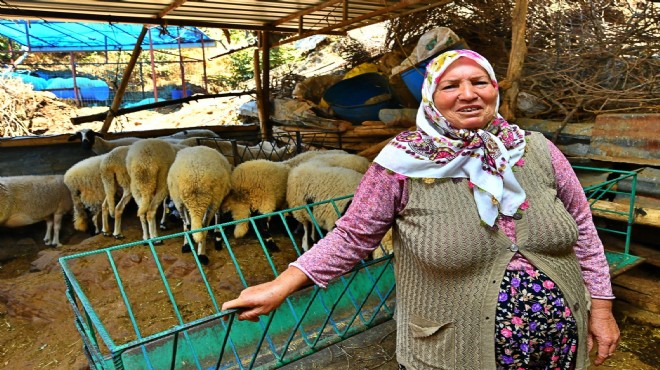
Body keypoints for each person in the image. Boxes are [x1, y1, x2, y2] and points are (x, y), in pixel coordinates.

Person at [222, 49, 620, 369]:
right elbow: (352, 236)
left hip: (558, 339)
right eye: (452, 86)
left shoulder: (535, 149)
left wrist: (600, 310)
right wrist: (283, 284)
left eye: (479, 82)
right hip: (454, 350)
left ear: (494, 89)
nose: (469, 93)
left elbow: (583, 228)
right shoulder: (401, 164)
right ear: (430, 96)